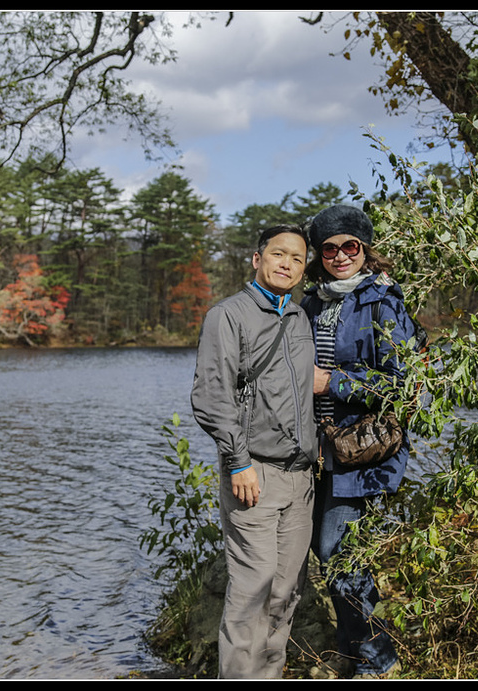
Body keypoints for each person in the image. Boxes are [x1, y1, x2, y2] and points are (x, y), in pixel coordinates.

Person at [190, 224, 317, 679]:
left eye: (297, 258)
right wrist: (238, 461)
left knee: (285, 592)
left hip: (301, 478)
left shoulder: (300, 318)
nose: (287, 264)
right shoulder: (228, 315)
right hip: (253, 474)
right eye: (279, 254)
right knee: (252, 590)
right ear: (257, 258)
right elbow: (211, 397)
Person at [301, 204, 417, 679]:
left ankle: (377, 660)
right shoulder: (312, 303)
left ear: (365, 249)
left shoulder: (383, 301)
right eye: (329, 249)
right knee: (323, 549)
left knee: (338, 551)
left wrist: (330, 382)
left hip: (363, 450)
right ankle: (351, 653)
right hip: (319, 452)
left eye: (349, 246)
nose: (340, 256)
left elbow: (399, 383)